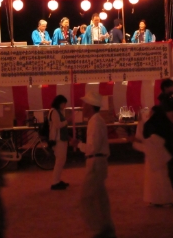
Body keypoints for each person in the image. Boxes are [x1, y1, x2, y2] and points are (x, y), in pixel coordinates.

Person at [71, 92, 116, 238]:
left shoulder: (95, 122)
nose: (82, 107)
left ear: (90, 106)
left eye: (85, 104)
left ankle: (99, 230)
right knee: (100, 199)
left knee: (85, 199)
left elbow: (93, 147)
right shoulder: (96, 120)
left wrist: (79, 145)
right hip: (98, 161)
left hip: (95, 162)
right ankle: (107, 228)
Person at [143, 94, 173, 206]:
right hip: (161, 149)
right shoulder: (162, 118)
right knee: (161, 177)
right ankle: (162, 198)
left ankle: (160, 199)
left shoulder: (153, 122)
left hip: (158, 151)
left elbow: (145, 138)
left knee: (159, 177)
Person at [157, 79, 173, 189]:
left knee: (172, 157)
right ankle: (170, 182)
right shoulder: (166, 101)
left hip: (166, 131)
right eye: (171, 86)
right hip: (167, 132)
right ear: (166, 88)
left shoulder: (167, 99)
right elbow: (172, 119)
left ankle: (170, 181)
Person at [48, 95, 70, 190]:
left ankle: (57, 180)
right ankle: (55, 181)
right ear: (59, 103)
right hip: (58, 139)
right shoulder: (54, 112)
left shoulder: (58, 111)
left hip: (61, 138)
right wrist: (67, 121)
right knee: (60, 160)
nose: (65, 105)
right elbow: (57, 125)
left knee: (61, 160)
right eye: (64, 103)